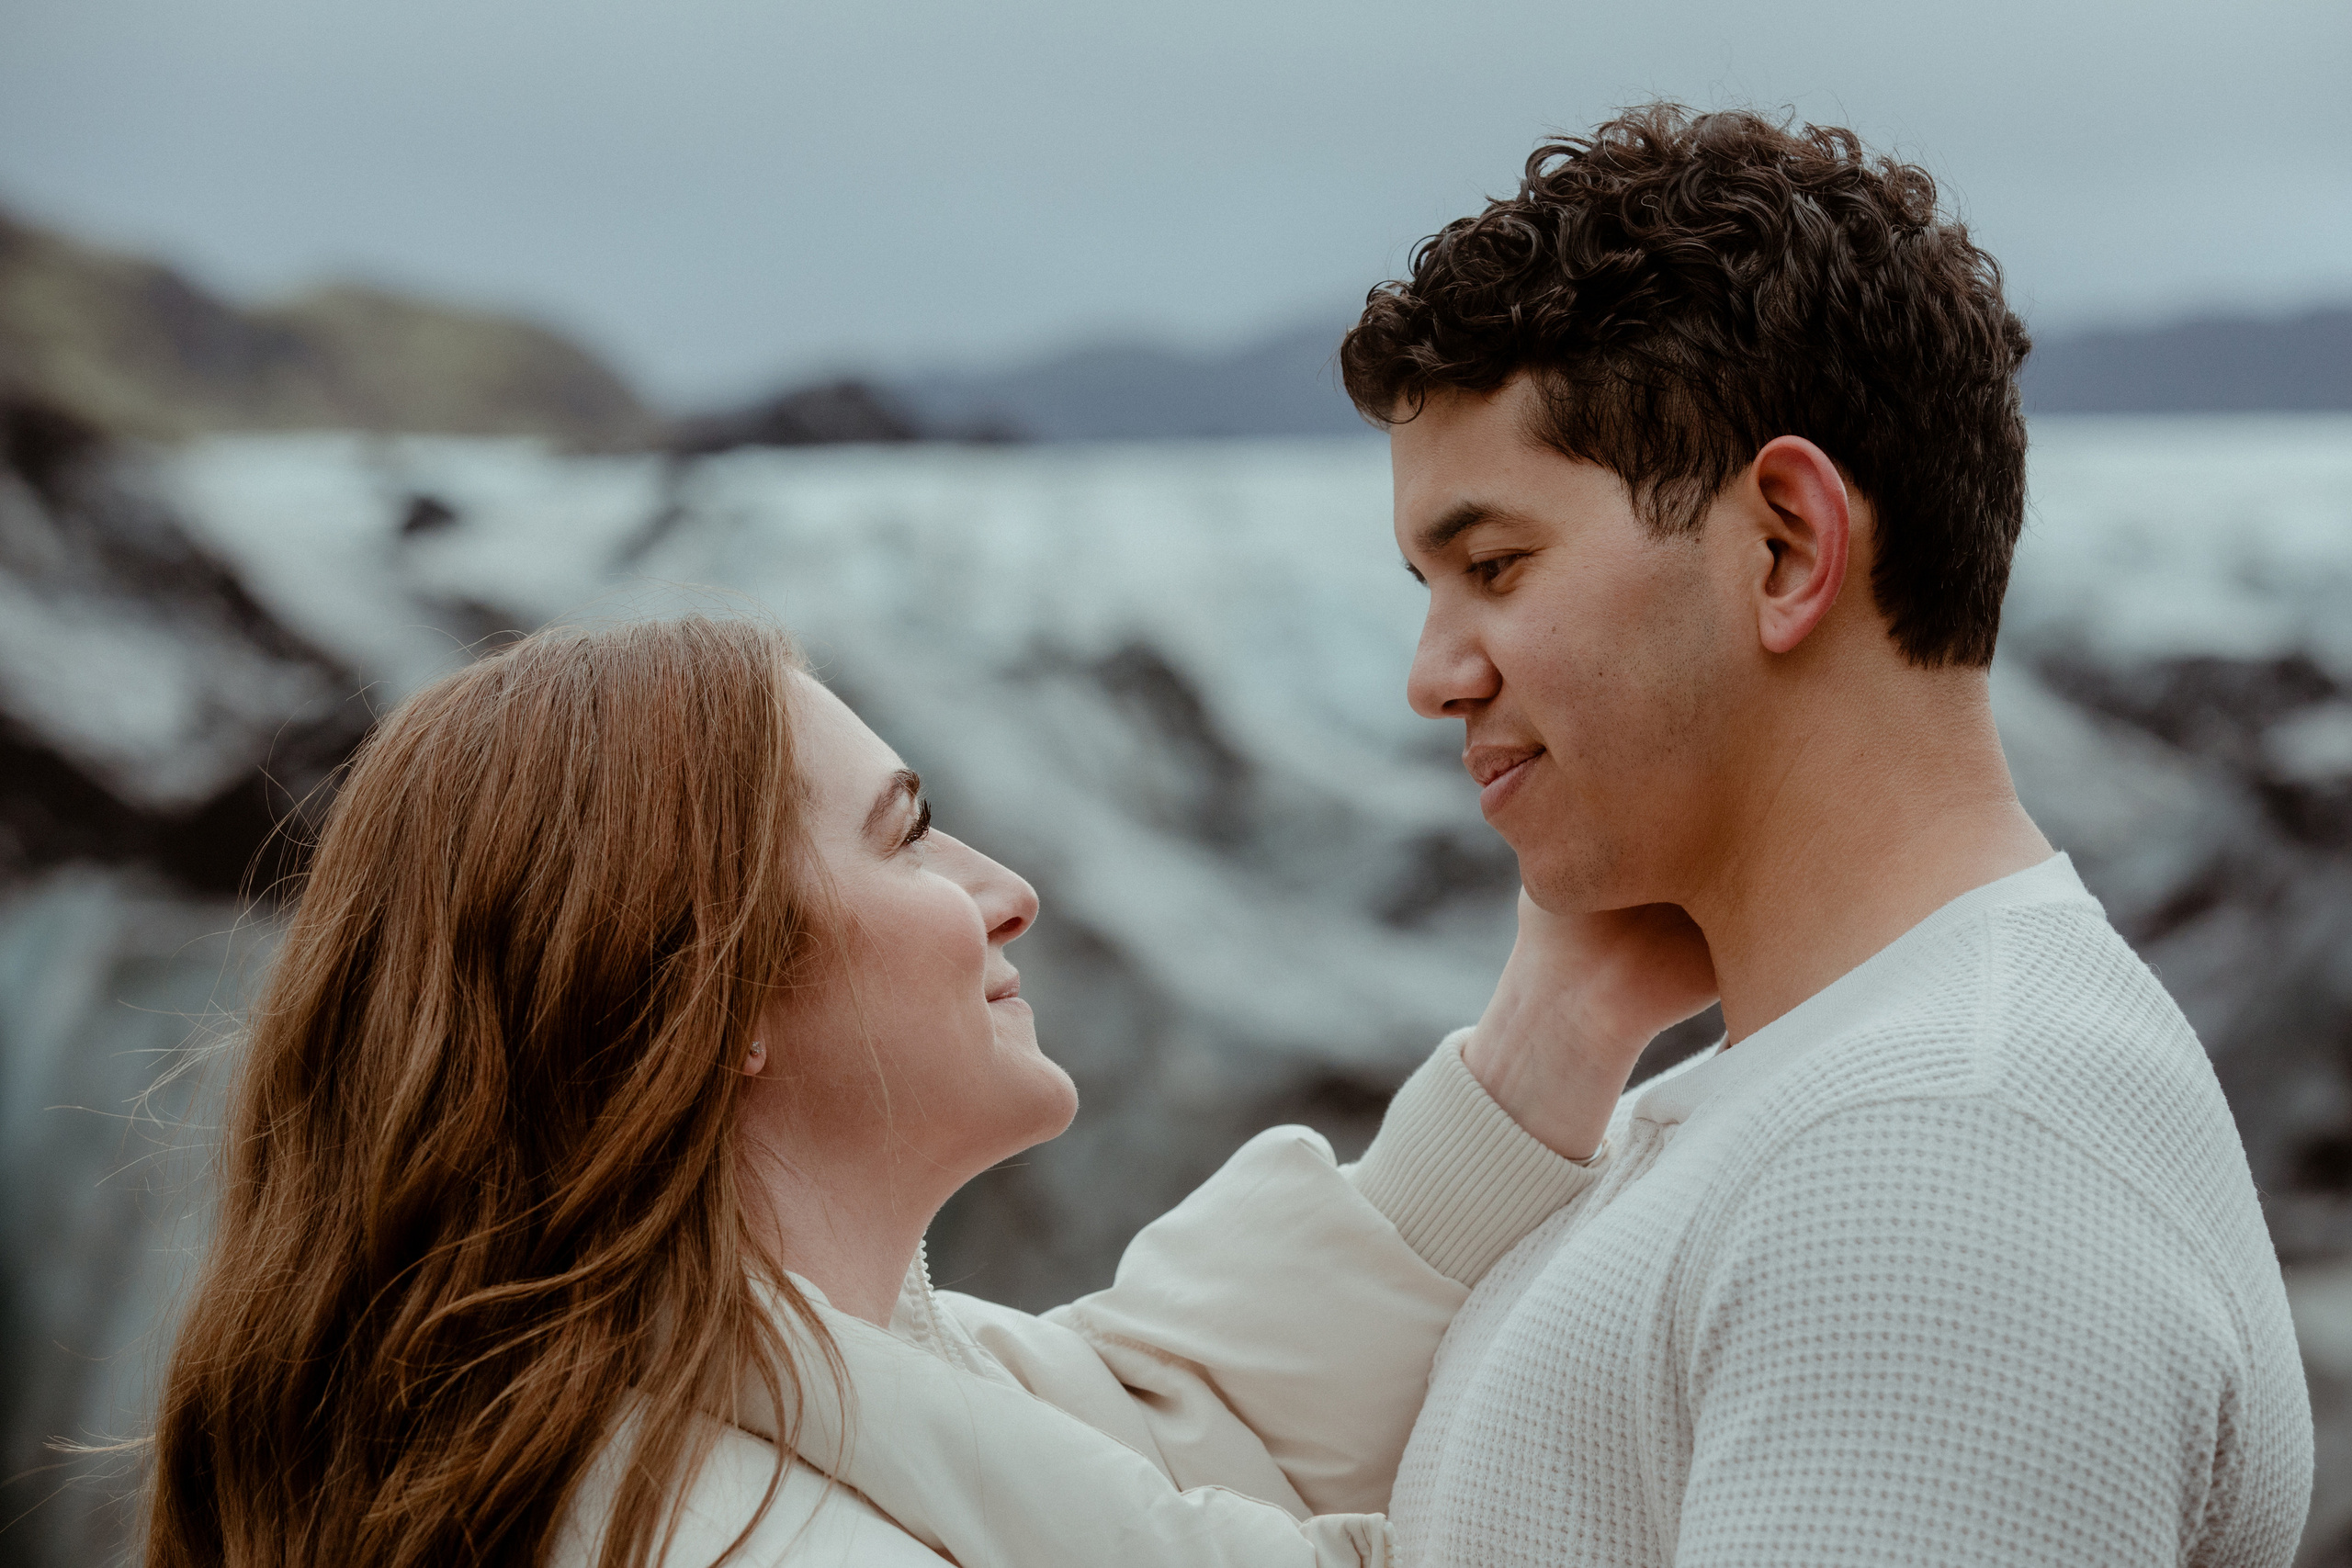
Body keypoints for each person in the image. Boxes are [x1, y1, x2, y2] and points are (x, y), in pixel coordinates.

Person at [142, 615, 1702, 1567]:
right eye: (907, 833)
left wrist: (1552, 1029)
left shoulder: (758, 1415)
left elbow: (1175, 1417)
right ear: (716, 989)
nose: (1006, 891)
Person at [1320, 104, 2314, 1564]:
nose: (1435, 675)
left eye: (1495, 564)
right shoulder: (1860, 1099)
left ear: (1785, 543)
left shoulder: (1939, 1156)